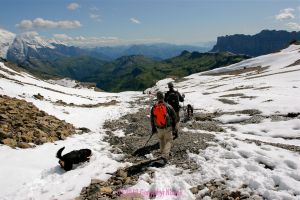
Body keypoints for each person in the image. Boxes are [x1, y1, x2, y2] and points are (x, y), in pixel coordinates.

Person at [151, 91, 177, 161]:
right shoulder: (168, 106)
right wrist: (175, 128)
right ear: (163, 97)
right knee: (168, 140)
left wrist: (153, 128)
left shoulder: (154, 107)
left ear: (157, 98)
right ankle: (165, 156)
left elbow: (152, 119)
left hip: (158, 127)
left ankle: (162, 153)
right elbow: (175, 117)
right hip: (168, 127)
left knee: (161, 139)